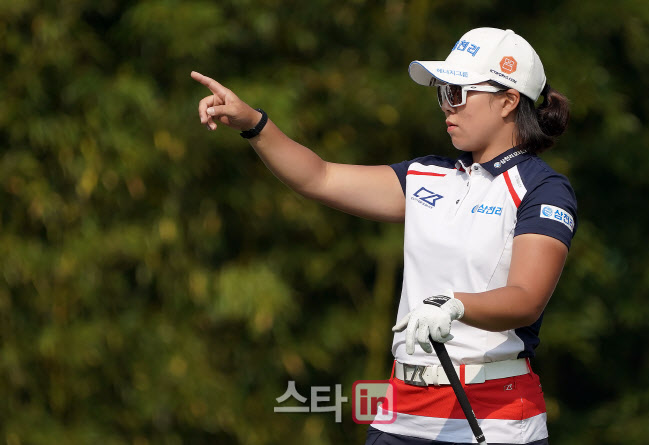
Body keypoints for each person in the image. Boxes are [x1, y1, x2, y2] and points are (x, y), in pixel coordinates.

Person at [192, 27, 576, 445]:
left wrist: (455, 307)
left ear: (508, 100)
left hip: (492, 416)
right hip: (401, 411)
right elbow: (319, 177)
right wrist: (254, 123)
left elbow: (526, 297)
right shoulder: (428, 174)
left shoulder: (542, 188)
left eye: (458, 93)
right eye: (442, 93)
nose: (446, 106)